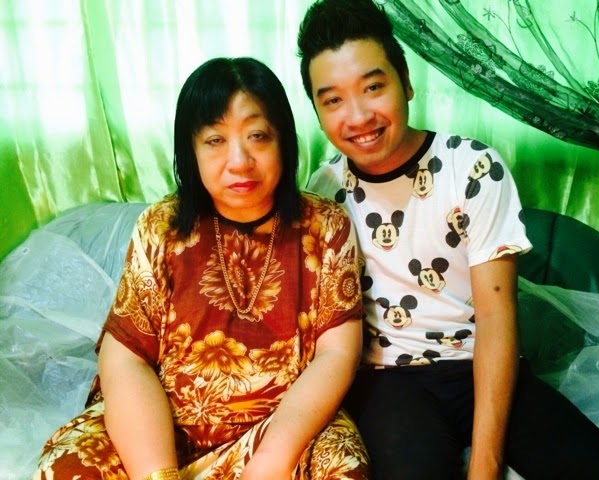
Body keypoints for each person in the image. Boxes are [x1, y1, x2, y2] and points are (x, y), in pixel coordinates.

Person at [297, 1, 599, 479]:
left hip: (482, 361)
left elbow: (496, 316)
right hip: (389, 378)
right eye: (333, 101)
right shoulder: (325, 189)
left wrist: (486, 464)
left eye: (373, 87)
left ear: (405, 82)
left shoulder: (472, 167)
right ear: (318, 111)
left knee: (596, 469)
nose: (358, 116)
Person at [33, 57, 370, 480]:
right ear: (190, 151)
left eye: (258, 136)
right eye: (215, 140)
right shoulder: (161, 228)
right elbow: (126, 358)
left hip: (283, 430)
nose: (239, 161)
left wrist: (272, 460)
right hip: (161, 430)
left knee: (342, 467)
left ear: (284, 142)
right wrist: (159, 474)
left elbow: (338, 353)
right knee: (66, 468)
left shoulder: (325, 225)